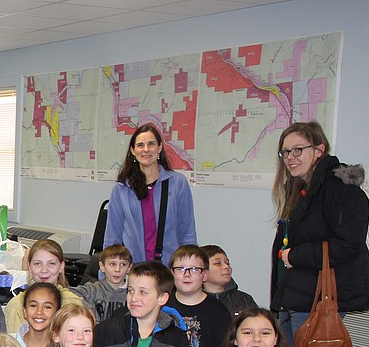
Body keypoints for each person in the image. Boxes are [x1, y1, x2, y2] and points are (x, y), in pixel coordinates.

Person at [270, 120, 369, 347]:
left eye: (297, 149)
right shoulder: (302, 188)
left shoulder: (341, 190)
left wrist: (295, 255)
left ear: (320, 149)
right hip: (294, 298)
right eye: (285, 151)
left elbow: (347, 245)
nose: (290, 157)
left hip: (316, 303)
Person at [105, 123, 196, 265]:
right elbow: (112, 236)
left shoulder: (177, 183)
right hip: (136, 269)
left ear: (159, 148)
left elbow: (187, 232)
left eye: (151, 144)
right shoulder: (122, 188)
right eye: (140, 145)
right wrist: (106, 274)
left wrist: (190, 267)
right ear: (133, 151)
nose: (146, 149)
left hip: (169, 269)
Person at [168, 244, 232, 347]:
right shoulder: (161, 307)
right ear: (171, 273)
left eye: (195, 269)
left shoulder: (219, 311)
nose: (187, 275)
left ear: (205, 275)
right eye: (180, 269)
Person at [3, 239, 80, 334]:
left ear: (61, 266)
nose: (44, 270)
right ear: (29, 267)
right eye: (37, 264)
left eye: (51, 264)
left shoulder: (73, 304)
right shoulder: (16, 305)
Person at [13, 282, 61, 347]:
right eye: (33, 305)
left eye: (47, 307)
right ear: (25, 311)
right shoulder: (9, 346)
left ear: (57, 313)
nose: (39, 312)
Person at [73, 243, 132, 323]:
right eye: (112, 264)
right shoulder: (92, 289)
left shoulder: (132, 293)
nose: (117, 269)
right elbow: (67, 293)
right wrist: (87, 308)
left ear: (129, 268)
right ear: (102, 266)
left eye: (123, 264)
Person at [201, 244, 257, 317]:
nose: (226, 266)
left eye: (227, 263)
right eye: (218, 263)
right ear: (202, 270)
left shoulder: (245, 299)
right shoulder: (192, 300)